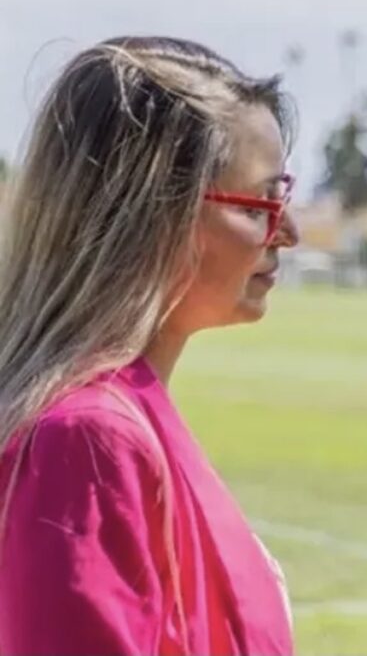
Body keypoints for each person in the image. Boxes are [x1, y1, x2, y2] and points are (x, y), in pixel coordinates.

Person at [0, 36, 299, 654]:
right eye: (260, 205)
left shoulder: (123, 415)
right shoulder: (87, 438)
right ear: (152, 212)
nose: (287, 233)